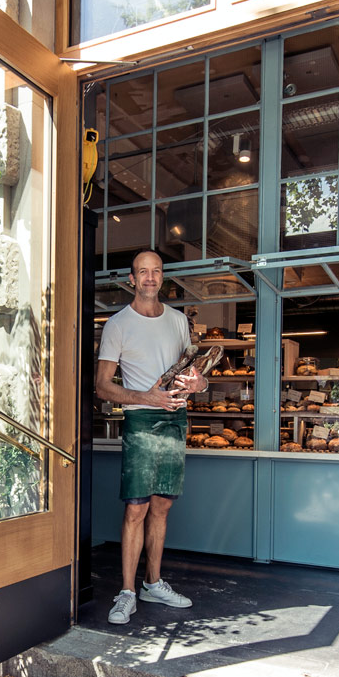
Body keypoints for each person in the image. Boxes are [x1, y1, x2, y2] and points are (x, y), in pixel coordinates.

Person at [94, 249, 207, 625]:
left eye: (156, 271)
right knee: (136, 509)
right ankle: (127, 591)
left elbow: (195, 375)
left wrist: (197, 382)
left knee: (162, 507)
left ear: (163, 277)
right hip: (141, 419)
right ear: (132, 279)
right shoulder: (118, 325)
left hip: (175, 419)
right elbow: (102, 387)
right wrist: (146, 396)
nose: (150, 277)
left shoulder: (177, 321)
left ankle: (152, 583)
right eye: (142, 272)